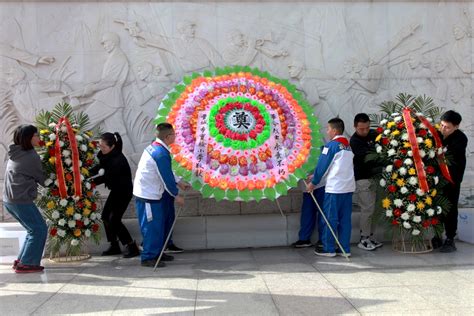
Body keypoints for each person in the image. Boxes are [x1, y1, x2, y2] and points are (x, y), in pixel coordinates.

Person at [133, 123, 189, 267]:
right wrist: (177, 195)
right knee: (152, 227)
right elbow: (165, 177)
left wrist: (179, 182)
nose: (175, 136)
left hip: (153, 193)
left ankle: (158, 252)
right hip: (148, 195)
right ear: (168, 136)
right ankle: (148, 257)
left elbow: (166, 171)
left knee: (160, 225)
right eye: (174, 134)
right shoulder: (160, 153)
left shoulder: (157, 148)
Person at [307, 118, 355, 257]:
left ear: (334, 130)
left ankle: (328, 248)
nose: (327, 131)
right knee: (345, 220)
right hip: (348, 188)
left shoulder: (331, 146)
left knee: (329, 218)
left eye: (328, 129)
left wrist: (313, 182)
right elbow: (334, 166)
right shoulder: (348, 146)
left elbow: (323, 165)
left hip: (335, 189)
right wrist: (315, 175)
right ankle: (344, 248)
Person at [3, 125, 47, 273]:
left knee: (33, 229)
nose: (39, 138)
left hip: (10, 200)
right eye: (36, 135)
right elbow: (43, 179)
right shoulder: (30, 156)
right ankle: (27, 263)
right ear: (29, 138)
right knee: (39, 229)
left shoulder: (16, 151)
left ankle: (22, 261)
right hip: (20, 200)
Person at [91, 132, 139, 258]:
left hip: (123, 191)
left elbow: (105, 177)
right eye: (100, 145)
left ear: (112, 146)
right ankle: (114, 245)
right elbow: (100, 167)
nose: (101, 148)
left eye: (103, 147)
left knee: (114, 219)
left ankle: (131, 246)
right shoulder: (107, 155)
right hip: (116, 190)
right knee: (105, 216)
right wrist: (84, 173)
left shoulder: (117, 160)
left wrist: (88, 183)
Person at [435, 110, 468, 252]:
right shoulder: (437, 134)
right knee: (436, 207)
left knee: (449, 208)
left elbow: (446, 154)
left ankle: (450, 238)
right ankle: (437, 236)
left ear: (456, 127)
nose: (443, 129)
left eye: (447, 127)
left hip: (452, 179)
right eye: (441, 125)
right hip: (437, 179)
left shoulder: (461, 138)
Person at [350, 113, 383, 251]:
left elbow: (382, 151)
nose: (365, 131)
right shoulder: (354, 141)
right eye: (361, 129)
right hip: (363, 178)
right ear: (355, 127)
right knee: (367, 209)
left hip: (377, 177)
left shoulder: (375, 134)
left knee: (375, 209)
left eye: (367, 128)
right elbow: (369, 157)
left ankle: (370, 236)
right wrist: (377, 152)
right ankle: (363, 238)